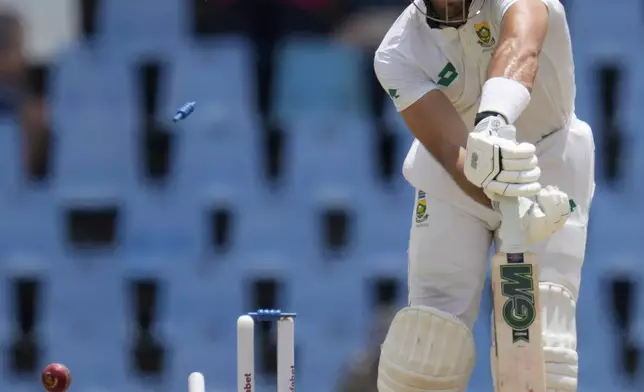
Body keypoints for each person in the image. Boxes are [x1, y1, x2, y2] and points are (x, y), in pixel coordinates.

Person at [373, 0, 593, 391]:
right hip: (458, 174)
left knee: (542, 352)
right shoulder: (398, 52)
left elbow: (520, 44)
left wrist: (493, 120)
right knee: (426, 351)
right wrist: (508, 202)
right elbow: (449, 149)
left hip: (550, 163)